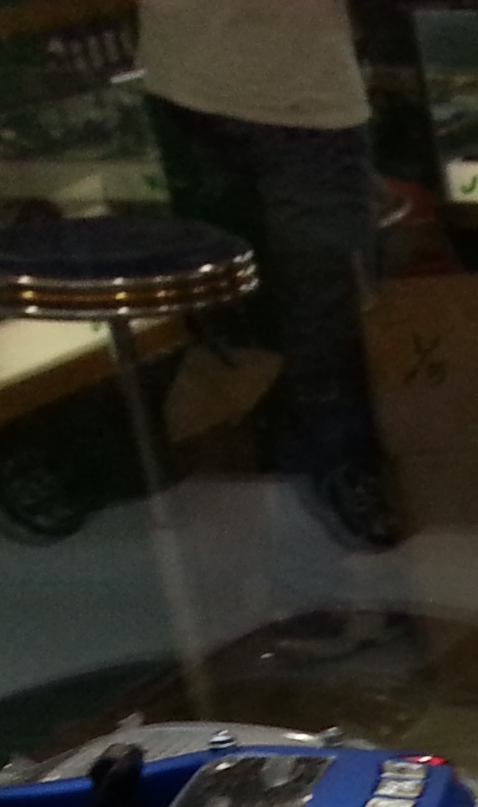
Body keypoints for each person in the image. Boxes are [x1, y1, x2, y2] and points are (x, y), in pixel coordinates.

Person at [137, 0, 396, 549]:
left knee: (240, 335)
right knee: (329, 330)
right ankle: (329, 523)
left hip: (182, 81)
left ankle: (264, 532)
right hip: (296, 96)